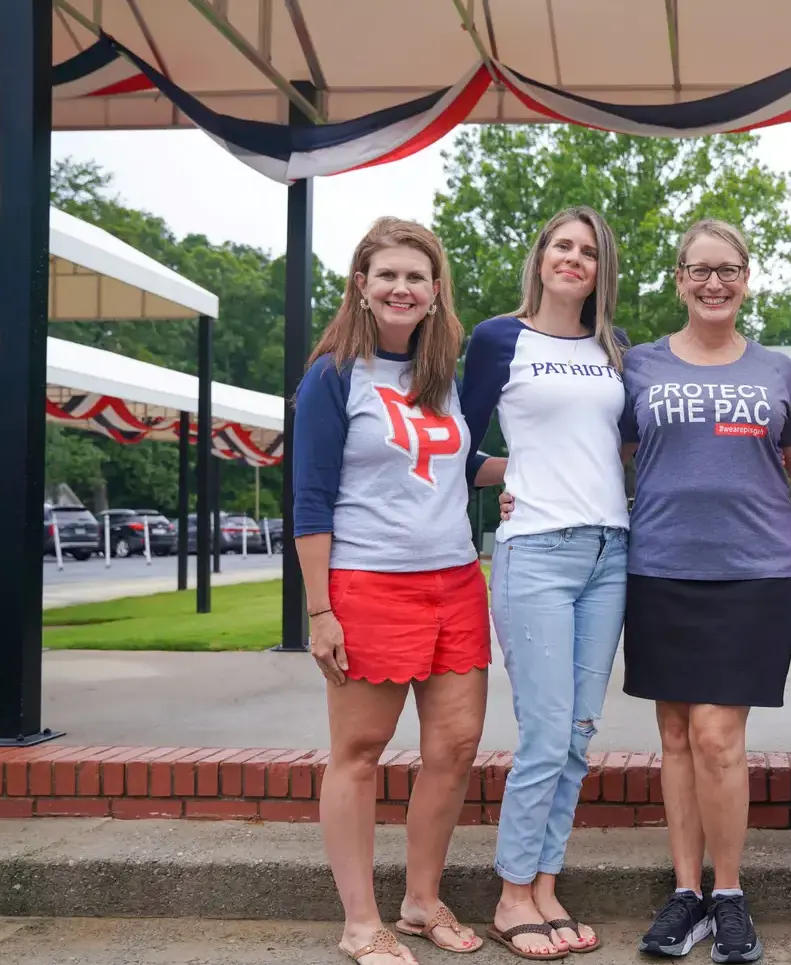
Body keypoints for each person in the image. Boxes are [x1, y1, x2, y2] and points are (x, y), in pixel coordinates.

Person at [293, 216, 505, 965]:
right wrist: (320, 609)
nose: (401, 287)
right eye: (387, 274)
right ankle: (360, 921)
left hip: (453, 581)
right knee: (359, 750)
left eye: (416, 276)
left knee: (453, 746)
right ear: (361, 284)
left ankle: (420, 899)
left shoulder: (443, 375)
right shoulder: (332, 375)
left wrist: (524, 472)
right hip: (367, 581)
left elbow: (455, 460)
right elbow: (311, 497)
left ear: (435, 290)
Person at [622, 219, 791, 963]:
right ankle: (685, 892)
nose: (713, 283)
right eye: (699, 270)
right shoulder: (637, 365)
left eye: (727, 270)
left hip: (754, 572)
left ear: (747, 278)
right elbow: (619, 457)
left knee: (715, 736)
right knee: (673, 735)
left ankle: (728, 892)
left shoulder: (776, 374)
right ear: (678, 279)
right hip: (662, 566)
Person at [459, 207, 629, 960]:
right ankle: (510, 893)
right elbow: (456, 446)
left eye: (588, 251)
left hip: (610, 552)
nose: (574, 259)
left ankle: (546, 882)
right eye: (563, 245)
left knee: (579, 735)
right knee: (545, 730)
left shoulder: (612, 347)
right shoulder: (500, 337)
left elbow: (617, 449)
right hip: (535, 551)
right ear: (541, 257)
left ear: (601, 269)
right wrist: (511, 475)